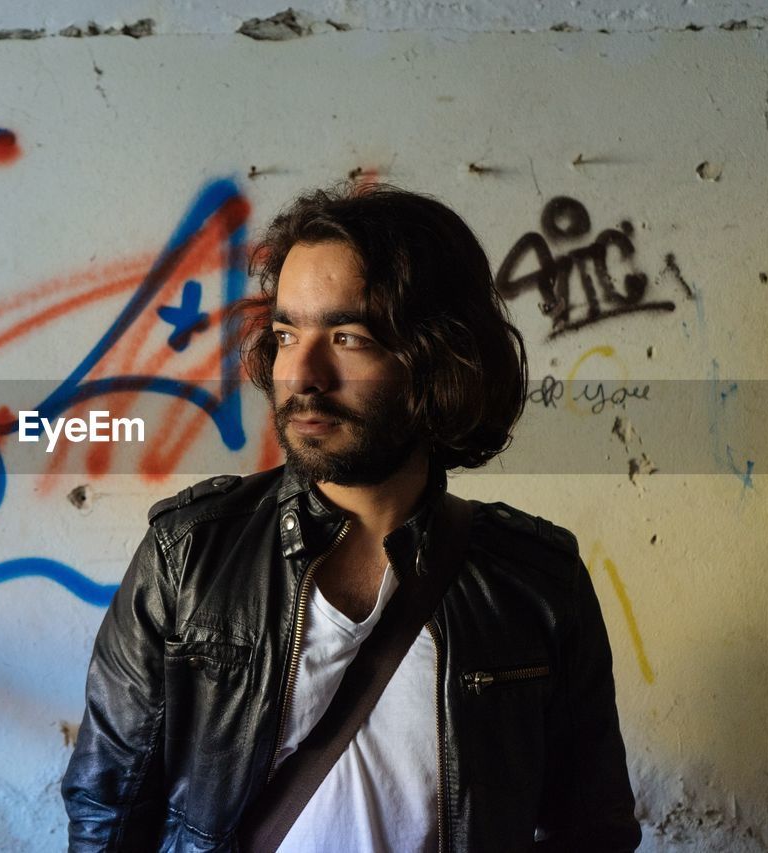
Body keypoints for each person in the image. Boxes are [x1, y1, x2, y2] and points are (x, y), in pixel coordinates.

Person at [62, 183, 641, 852]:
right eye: (286, 333)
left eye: (347, 336)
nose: (301, 373)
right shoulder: (188, 555)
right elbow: (106, 809)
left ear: (436, 356)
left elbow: (592, 828)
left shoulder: (536, 581)